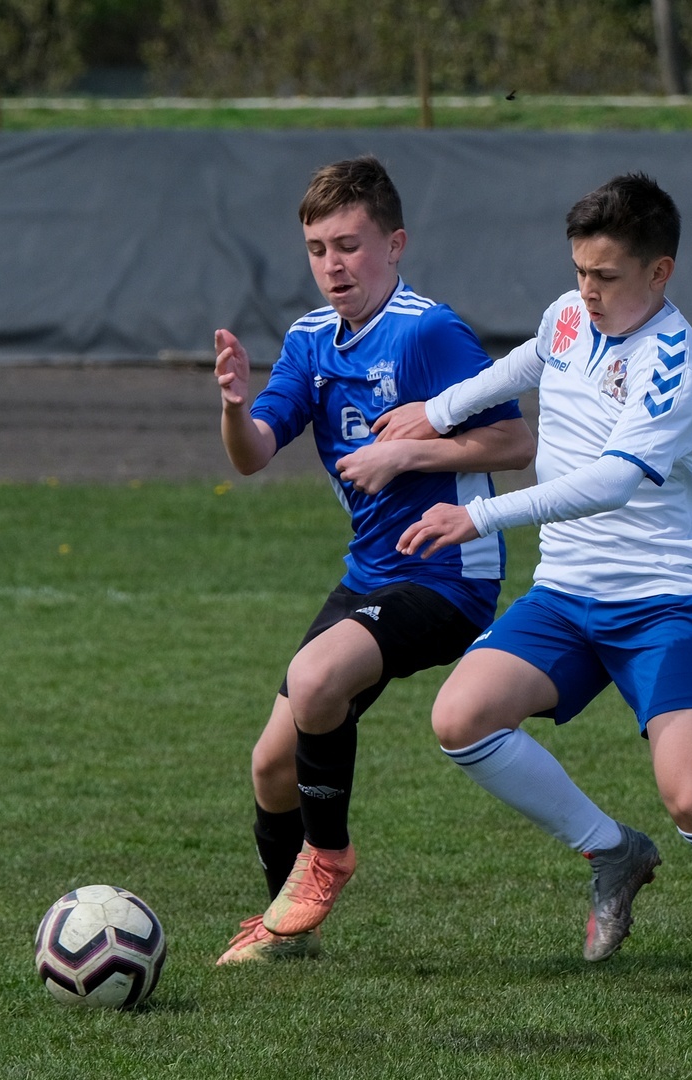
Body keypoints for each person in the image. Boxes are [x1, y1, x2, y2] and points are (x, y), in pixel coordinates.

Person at [384, 172, 692, 997]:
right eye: (580, 270)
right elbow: (530, 358)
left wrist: (481, 516)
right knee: (460, 718)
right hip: (565, 591)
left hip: (661, 598)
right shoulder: (570, 313)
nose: (588, 290)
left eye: (607, 275)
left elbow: (614, 482)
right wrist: (438, 412)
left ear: (660, 272)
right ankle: (614, 850)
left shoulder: (672, 363)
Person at [212, 156, 535, 965]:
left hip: (449, 572)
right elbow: (252, 454)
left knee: (316, 678)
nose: (333, 266)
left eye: (349, 246)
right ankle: (289, 934)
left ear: (394, 245)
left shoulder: (428, 331)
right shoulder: (308, 342)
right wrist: (233, 408)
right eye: (318, 249)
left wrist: (408, 452)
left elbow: (516, 441)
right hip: (369, 576)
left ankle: (327, 857)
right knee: (270, 765)